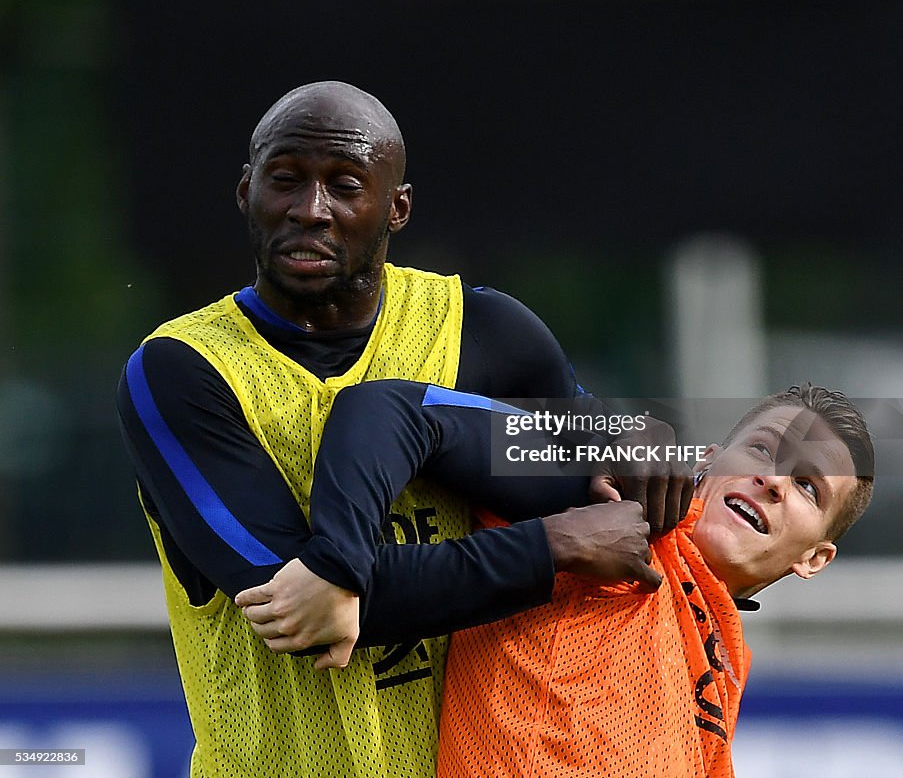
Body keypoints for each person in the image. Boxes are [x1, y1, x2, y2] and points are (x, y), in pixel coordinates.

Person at [116, 80, 692, 778]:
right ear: (246, 192)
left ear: (397, 208)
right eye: (285, 180)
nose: (311, 211)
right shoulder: (181, 371)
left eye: (346, 185)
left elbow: (593, 475)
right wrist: (550, 548)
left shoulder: (485, 335)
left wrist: (635, 431)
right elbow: (298, 608)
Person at [238, 379, 874, 777]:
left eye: (808, 487)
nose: (773, 480)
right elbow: (389, 409)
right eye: (761, 451)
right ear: (706, 459)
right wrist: (340, 564)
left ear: (813, 559)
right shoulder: (592, 495)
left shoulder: (726, 654)